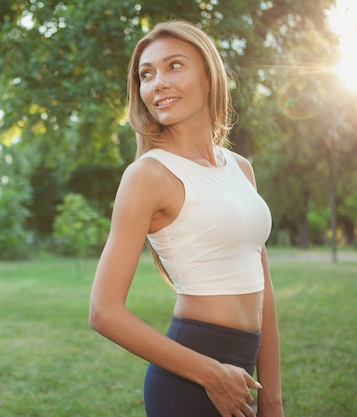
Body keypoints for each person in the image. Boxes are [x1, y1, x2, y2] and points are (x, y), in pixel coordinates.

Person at [89, 21, 284, 417]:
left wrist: (272, 398)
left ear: (209, 77)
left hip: (243, 371)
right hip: (189, 377)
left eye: (174, 66)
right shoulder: (148, 175)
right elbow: (103, 311)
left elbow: (263, 287)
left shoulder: (240, 168)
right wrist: (211, 375)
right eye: (147, 74)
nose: (157, 83)